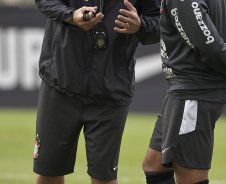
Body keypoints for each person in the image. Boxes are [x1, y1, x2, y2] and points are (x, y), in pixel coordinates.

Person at [33, 0, 160, 184]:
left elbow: (161, 23)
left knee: (104, 178)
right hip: (61, 82)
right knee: (48, 171)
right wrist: (70, 16)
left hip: (111, 91)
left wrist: (141, 25)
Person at [142, 0, 226, 184]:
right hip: (185, 89)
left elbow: (209, 45)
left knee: (189, 177)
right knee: (154, 165)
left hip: (193, 93)